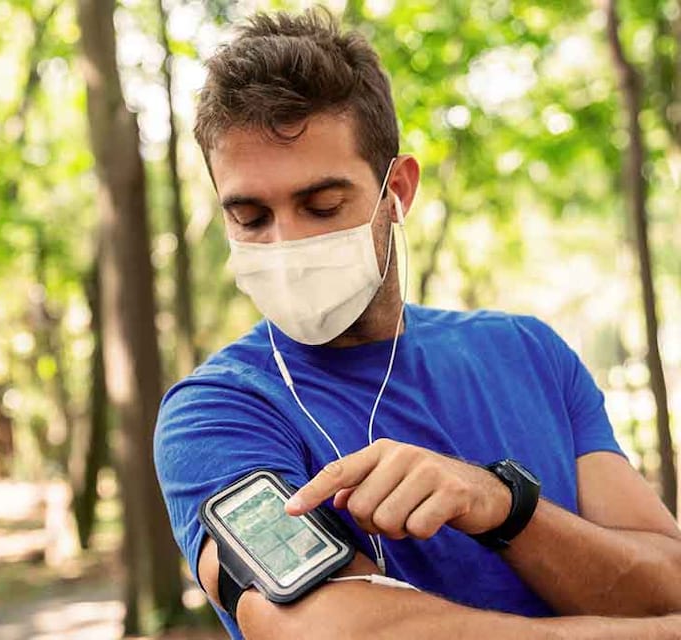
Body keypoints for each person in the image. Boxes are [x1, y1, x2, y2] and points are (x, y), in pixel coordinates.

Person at [153, 9, 681, 640]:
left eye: (322, 206)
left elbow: (667, 578)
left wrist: (502, 506)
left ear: (397, 189)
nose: (286, 242)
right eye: (250, 216)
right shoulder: (217, 413)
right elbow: (339, 630)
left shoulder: (528, 353)